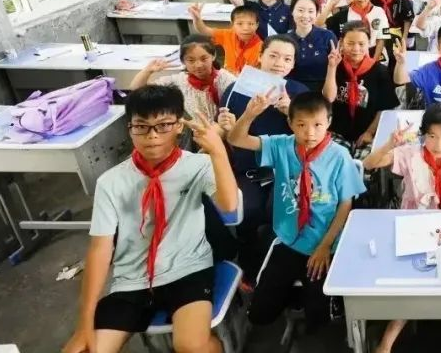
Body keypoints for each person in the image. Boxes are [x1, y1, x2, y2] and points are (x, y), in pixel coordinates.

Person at [62, 85, 238, 353]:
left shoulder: (197, 166)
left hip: (189, 268)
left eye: (163, 125)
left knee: (190, 346)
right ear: (129, 128)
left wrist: (218, 152)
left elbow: (229, 205)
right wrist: (84, 321)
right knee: (83, 351)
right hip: (132, 279)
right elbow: (100, 250)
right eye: (141, 126)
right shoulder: (111, 182)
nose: (152, 136)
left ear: (179, 126)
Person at [227, 92, 365, 332]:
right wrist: (249, 114)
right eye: (301, 125)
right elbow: (236, 139)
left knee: (319, 321)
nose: (310, 133)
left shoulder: (339, 157)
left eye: (317, 125)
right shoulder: (281, 145)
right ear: (290, 123)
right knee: (259, 315)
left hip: (325, 242)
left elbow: (345, 205)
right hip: (289, 239)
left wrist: (324, 247)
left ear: (329, 123)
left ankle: (313, 300)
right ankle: (294, 296)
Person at [362, 104, 441, 353]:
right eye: (432, 136)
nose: (438, 145)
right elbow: (370, 164)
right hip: (411, 229)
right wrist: (390, 144)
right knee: (410, 284)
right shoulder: (411, 155)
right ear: (423, 135)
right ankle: (386, 344)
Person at [217, 35, 308, 283]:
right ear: (260, 56)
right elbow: (228, 134)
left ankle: (281, 270)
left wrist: (291, 112)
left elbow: (311, 138)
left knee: (279, 212)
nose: (279, 63)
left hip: (288, 169)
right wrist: (226, 125)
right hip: (250, 168)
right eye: (273, 56)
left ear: (293, 64)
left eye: (287, 59)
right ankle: (250, 269)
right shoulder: (236, 89)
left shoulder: (300, 93)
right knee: (247, 211)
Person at [322, 21, 400, 154]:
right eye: (350, 43)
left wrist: (370, 132)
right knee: (335, 160)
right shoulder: (334, 65)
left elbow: (384, 108)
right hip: (336, 132)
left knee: (366, 164)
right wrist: (332, 68)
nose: (356, 48)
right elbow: (328, 98)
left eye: (361, 44)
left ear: (369, 43)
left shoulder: (379, 71)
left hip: (367, 133)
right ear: (341, 43)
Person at [131, 34, 237, 123]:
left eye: (204, 59)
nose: (198, 65)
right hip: (192, 132)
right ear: (183, 61)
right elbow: (137, 89)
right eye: (191, 60)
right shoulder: (179, 81)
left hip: (223, 130)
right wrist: (148, 71)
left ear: (213, 56)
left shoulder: (226, 79)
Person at [320, 0, 389, 59]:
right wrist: (331, 4)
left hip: (374, 54)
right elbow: (318, 25)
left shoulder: (379, 12)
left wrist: (373, 62)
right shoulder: (343, 14)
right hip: (351, 55)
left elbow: (381, 39)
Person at [189, 3, 262, 75]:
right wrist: (196, 19)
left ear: (257, 25)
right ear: (232, 24)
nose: (245, 28)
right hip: (227, 77)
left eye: (250, 24)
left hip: (247, 80)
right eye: (240, 24)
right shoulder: (228, 35)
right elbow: (204, 30)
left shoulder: (261, 47)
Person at [285, 0, 337, 92]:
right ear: (292, 11)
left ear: (316, 13)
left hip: (322, 92)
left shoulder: (328, 37)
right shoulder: (284, 40)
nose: (305, 15)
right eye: (300, 10)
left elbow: (335, 69)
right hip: (291, 92)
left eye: (311, 11)